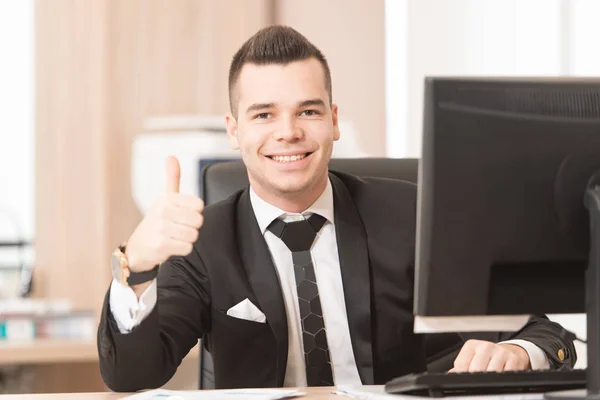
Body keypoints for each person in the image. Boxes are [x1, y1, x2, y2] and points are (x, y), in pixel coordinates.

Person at [97, 25, 576, 392]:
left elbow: (544, 332)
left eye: (308, 110)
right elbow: (132, 376)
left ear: (334, 121)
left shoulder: (410, 215)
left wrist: (517, 350)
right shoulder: (203, 240)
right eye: (264, 114)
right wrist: (135, 267)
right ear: (234, 130)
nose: (288, 132)